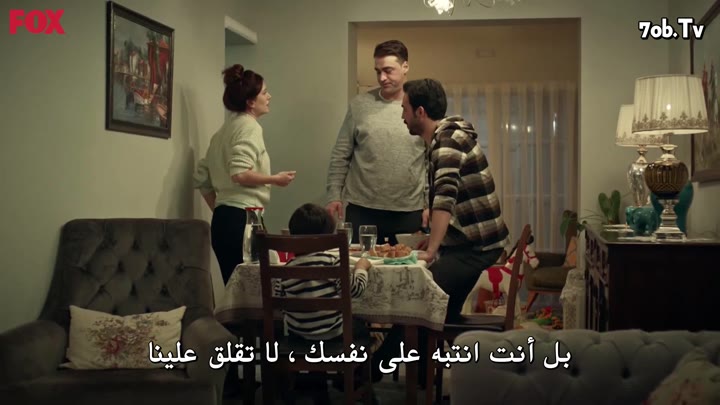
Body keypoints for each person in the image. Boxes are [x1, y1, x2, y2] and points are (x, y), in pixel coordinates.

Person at [372, 78, 510, 386]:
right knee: (430, 311)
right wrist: (432, 231)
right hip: (471, 243)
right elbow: (446, 199)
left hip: (478, 247)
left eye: (405, 109)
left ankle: (368, 372)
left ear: (420, 112)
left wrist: (432, 249)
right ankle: (422, 384)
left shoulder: (447, 141)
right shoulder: (442, 139)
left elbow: (445, 199)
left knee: (420, 299)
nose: (402, 115)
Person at [193, 64, 297, 285]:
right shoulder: (250, 127)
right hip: (243, 220)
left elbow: (201, 178)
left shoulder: (222, 132)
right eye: (264, 92)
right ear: (250, 102)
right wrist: (275, 179)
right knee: (254, 293)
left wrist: (221, 207)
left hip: (223, 221)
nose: (269, 96)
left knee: (235, 291)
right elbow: (239, 173)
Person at [325, 40, 429, 245]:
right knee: (358, 264)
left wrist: (429, 203)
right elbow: (341, 154)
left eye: (388, 71)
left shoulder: (420, 106)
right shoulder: (360, 104)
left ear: (405, 67)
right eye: (378, 71)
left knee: (407, 265)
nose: (382, 78)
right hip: (362, 209)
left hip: (409, 209)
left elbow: (430, 160)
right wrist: (334, 195)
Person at [275, 203, 374, 403]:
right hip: (334, 335)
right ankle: (355, 383)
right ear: (328, 237)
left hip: (299, 335)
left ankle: (317, 387)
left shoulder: (286, 268)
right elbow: (355, 290)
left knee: (312, 330)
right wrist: (361, 268)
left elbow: (280, 304)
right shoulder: (332, 262)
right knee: (362, 328)